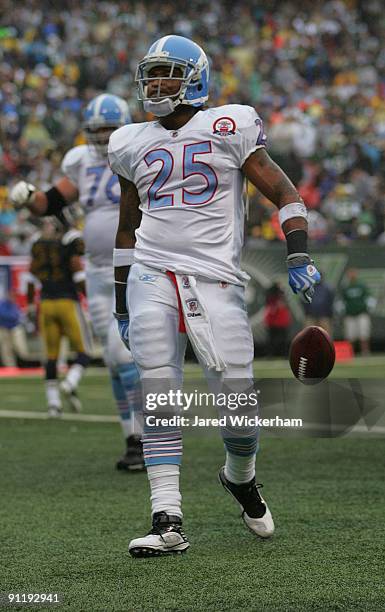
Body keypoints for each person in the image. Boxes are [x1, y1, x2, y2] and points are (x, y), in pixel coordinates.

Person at [109, 35, 321, 557]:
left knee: (238, 409)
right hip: (152, 271)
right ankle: (167, 518)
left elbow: (285, 193)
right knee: (158, 392)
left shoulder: (229, 125)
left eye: (168, 74)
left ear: (195, 79)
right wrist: (120, 298)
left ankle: (240, 477)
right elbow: (126, 228)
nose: (156, 84)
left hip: (216, 278)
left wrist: (297, 253)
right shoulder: (130, 141)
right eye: (151, 74)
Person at [10, 94, 144, 469]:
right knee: (117, 363)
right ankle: (134, 440)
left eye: (108, 130)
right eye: (96, 131)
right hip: (100, 271)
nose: (102, 138)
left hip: (137, 265)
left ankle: (151, 437)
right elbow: (50, 202)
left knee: (125, 355)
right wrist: (28, 196)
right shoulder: (82, 162)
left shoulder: (138, 152)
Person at [27, 217, 90, 417]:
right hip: (67, 303)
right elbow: (79, 274)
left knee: (51, 357)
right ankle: (70, 381)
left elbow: (30, 278)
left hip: (45, 304)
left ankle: (53, 405)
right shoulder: (67, 245)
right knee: (84, 352)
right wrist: (90, 298)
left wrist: (30, 304)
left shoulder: (38, 247)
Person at [340, 268, 373, 355]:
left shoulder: (361, 285)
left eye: (353, 273)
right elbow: (342, 301)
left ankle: (365, 352)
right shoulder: (345, 286)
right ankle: (350, 353)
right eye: (350, 274)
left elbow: (369, 297)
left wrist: (368, 308)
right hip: (350, 314)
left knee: (364, 334)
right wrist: (342, 310)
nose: (352, 275)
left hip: (362, 313)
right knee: (350, 336)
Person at [264, 282, 292, 357]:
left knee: (280, 339)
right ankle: (272, 354)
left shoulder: (281, 295)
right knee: (273, 339)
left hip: (280, 320)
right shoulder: (272, 296)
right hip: (275, 320)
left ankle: (282, 353)